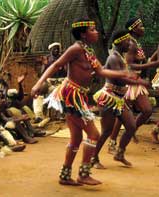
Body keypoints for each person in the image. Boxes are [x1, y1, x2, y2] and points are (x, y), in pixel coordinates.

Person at [31, 18, 135, 186]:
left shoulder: (87, 50)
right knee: (94, 135)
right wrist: (38, 84)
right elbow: (56, 65)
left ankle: (65, 176)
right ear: (83, 34)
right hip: (72, 96)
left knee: (76, 138)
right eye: (93, 30)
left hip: (79, 95)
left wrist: (123, 75)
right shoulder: (76, 49)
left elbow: (100, 71)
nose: (97, 32)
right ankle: (83, 174)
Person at [91, 30, 153, 169]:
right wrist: (139, 82)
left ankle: (119, 153)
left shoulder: (120, 57)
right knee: (106, 130)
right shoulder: (113, 58)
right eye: (127, 41)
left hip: (119, 98)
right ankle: (93, 157)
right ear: (119, 42)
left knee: (131, 126)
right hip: (109, 97)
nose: (129, 44)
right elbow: (121, 78)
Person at [108, 17, 158, 150]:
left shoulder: (135, 43)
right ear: (133, 28)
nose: (143, 28)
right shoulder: (130, 43)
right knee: (123, 112)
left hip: (136, 82)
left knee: (145, 110)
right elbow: (129, 65)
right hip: (129, 82)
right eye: (140, 26)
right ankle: (113, 141)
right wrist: (152, 64)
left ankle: (130, 131)